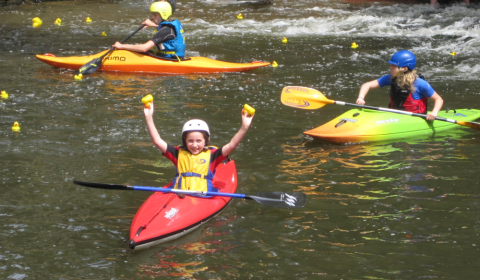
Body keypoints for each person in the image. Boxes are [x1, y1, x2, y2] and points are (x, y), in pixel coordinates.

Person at [143, 102, 254, 193]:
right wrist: (148, 117)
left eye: (199, 141)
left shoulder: (212, 155)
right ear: (184, 141)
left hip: (202, 197)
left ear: (205, 141)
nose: (195, 145)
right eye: (190, 141)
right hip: (179, 196)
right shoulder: (177, 154)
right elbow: (157, 141)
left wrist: (244, 127)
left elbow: (232, 145)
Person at [356, 50, 443, 121]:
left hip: (416, 118)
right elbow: (367, 85)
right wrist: (361, 97)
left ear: (404, 68)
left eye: (394, 66)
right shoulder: (390, 78)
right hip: (395, 116)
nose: (390, 68)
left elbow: (438, 99)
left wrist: (434, 112)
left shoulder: (419, 83)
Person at [112, 1, 185, 59]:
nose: (152, 17)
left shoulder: (166, 31)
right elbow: (165, 31)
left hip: (170, 60)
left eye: (155, 15)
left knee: (140, 52)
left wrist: (121, 46)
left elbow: (144, 48)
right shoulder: (169, 26)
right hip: (171, 57)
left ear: (164, 14)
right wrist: (153, 25)